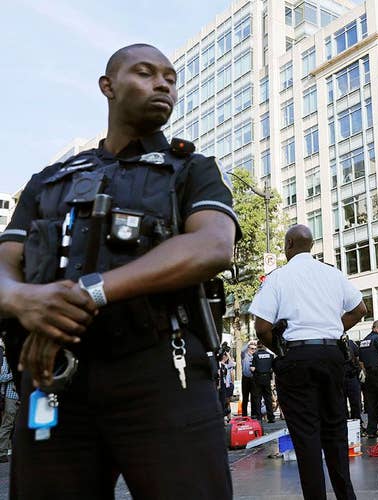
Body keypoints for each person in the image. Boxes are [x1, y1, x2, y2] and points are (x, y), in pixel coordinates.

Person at [0, 43, 238, 497]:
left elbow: (212, 245)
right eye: (146, 73)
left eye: (170, 76)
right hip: (53, 380)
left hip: (164, 375)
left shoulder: (192, 169)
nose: (163, 83)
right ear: (107, 86)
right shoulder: (49, 180)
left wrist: (92, 291)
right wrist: (23, 300)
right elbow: (4, 264)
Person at [250, 224, 366, 500]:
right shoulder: (332, 273)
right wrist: (328, 327)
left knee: (306, 435)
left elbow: (262, 326)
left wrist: (280, 349)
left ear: (289, 245)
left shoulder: (278, 278)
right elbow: (360, 309)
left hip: (297, 357)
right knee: (335, 429)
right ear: (310, 245)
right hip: (331, 355)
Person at [251, 341, 276, 423]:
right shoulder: (271, 355)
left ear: (258, 346)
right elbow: (273, 368)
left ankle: (259, 418)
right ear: (265, 346)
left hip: (258, 378)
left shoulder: (255, 355)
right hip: (267, 379)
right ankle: (271, 417)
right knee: (268, 398)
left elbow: (252, 368)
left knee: (257, 398)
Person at [0, 356, 18, 463]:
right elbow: (1, 378)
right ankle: (1, 453)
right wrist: (13, 375)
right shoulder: (8, 360)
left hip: (26, 395)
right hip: (11, 395)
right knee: (7, 424)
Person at [344, 337, 363, 422]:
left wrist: (362, 370)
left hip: (352, 375)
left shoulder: (351, 343)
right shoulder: (333, 344)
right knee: (341, 405)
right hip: (339, 378)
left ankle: (358, 424)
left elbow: (358, 358)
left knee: (356, 403)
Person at [241, 340, 258, 417]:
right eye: (251, 348)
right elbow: (242, 349)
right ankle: (244, 414)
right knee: (245, 397)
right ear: (248, 348)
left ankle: (253, 414)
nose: (253, 350)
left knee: (254, 397)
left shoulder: (256, 356)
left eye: (255, 349)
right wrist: (249, 342)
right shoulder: (244, 355)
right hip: (245, 378)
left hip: (254, 379)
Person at [217, 351, 235, 422]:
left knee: (227, 402)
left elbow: (232, 364)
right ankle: (223, 417)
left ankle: (229, 417)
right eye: (223, 355)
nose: (225, 356)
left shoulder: (226, 366)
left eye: (225, 355)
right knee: (222, 402)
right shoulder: (219, 364)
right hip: (220, 386)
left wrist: (228, 354)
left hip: (227, 386)